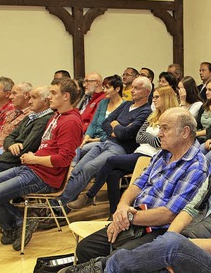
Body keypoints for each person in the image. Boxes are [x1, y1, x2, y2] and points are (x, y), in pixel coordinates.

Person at [61, 112, 211, 273]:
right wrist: (172, 242)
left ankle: (103, 268)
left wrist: (178, 246)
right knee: (157, 250)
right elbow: (189, 209)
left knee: (159, 248)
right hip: (187, 244)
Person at [69, 107, 211, 264]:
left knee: (115, 261)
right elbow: (136, 185)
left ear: (185, 132)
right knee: (85, 249)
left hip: (162, 231)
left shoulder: (197, 166)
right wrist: (122, 207)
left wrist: (128, 218)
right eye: (159, 128)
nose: (159, 134)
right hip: (136, 220)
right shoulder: (161, 155)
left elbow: (169, 214)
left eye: (165, 128)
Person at [0, 77, 83, 251]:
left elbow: (64, 159)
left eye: (53, 93)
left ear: (66, 96)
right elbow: (44, 146)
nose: (49, 97)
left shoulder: (71, 121)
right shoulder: (57, 115)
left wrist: (34, 158)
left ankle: (15, 225)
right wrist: (33, 157)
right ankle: (20, 222)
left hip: (44, 177)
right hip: (30, 168)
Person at [67, 87, 180, 213]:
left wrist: (147, 137)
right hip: (139, 152)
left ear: (166, 98)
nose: (153, 100)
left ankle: (89, 195)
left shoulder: (171, 118)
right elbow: (139, 137)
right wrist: (150, 138)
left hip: (152, 157)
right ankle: (114, 213)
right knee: (112, 175)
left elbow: (161, 143)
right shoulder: (153, 115)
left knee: (110, 161)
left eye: (156, 97)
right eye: (153, 97)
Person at [51, 77, 152, 216]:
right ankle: (61, 206)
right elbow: (105, 123)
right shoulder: (126, 105)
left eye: (137, 88)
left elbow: (127, 134)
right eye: (132, 87)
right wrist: (117, 128)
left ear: (147, 92)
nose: (132, 90)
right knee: (77, 168)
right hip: (106, 142)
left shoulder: (145, 111)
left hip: (120, 149)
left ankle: (58, 207)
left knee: (88, 168)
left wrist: (116, 124)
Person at [74, 75, 124, 164]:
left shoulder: (124, 106)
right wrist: (87, 137)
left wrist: (96, 140)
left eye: (107, 88)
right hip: (92, 139)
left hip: (106, 141)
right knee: (73, 147)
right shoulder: (103, 103)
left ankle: (71, 173)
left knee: (76, 151)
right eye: (104, 88)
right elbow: (93, 123)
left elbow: (115, 132)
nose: (104, 90)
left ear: (117, 89)